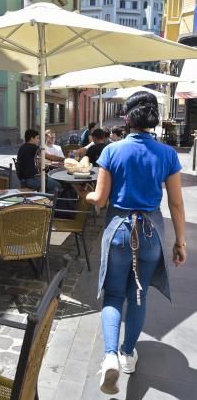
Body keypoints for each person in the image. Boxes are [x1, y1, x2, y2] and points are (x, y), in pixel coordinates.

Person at [84, 91, 186, 395]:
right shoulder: (167, 154)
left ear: (126, 118)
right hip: (152, 231)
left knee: (114, 294)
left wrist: (87, 194)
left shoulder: (112, 151)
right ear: (152, 118)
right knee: (139, 294)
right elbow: (177, 205)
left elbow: (100, 200)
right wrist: (180, 242)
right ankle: (128, 353)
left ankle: (110, 356)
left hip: (118, 230)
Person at [16, 129, 62, 193]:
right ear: (32, 138)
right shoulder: (33, 147)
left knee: (47, 179)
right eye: (37, 138)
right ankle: (46, 201)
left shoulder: (22, 147)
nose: (39, 140)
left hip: (23, 179)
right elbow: (51, 157)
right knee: (58, 186)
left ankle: (44, 198)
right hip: (30, 180)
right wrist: (64, 159)